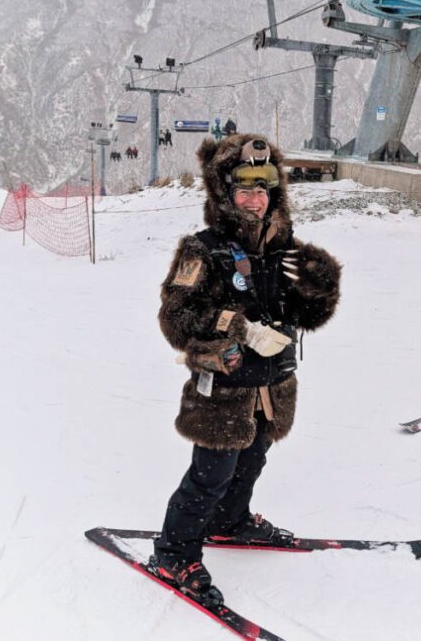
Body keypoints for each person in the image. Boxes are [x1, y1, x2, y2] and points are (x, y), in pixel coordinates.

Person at [149, 134, 341, 607]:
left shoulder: (286, 249)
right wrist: (230, 324)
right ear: (225, 194)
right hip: (224, 387)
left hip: (271, 384)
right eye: (245, 190)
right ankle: (174, 551)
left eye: (264, 191)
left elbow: (305, 318)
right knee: (210, 475)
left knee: (252, 460)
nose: (256, 201)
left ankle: (229, 521)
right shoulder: (203, 250)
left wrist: (321, 288)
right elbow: (174, 321)